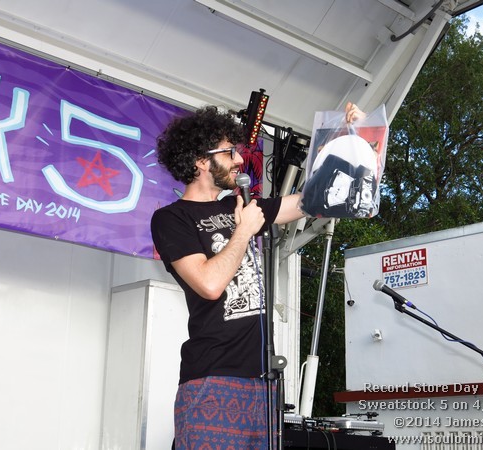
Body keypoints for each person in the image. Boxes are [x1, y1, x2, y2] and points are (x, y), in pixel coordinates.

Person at [151, 102, 364, 449]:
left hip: (263, 381)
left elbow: (314, 198)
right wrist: (243, 230)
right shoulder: (172, 218)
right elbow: (209, 284)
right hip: (213, 380)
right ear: (200, 161)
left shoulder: (243, 207)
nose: (239, 159)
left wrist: (348, 136)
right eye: (229, 152)